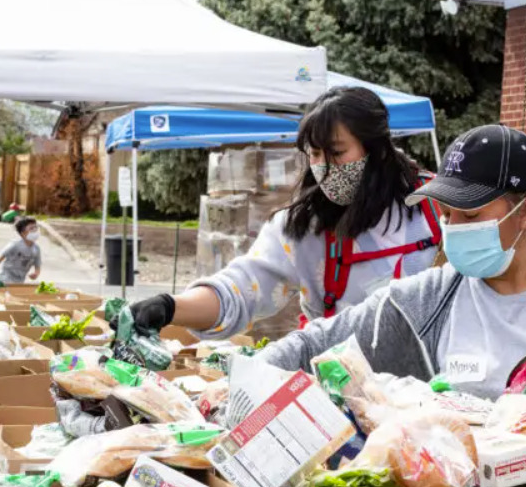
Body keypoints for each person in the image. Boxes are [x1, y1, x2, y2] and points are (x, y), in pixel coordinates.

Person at [257, 124, 526, 394]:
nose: (453, 228)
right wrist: (242, 380)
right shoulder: (425, 303)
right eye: (445, 215)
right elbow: (318, 344)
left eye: (470, 215)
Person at [127, 86, 442, 335]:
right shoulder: (304, 228)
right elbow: (242, 289)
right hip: (348, 395)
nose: (324, 167)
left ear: (377, 149)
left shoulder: (436, 206)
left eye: (336, 152)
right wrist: (171, 307)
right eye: (315, 154)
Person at [0, 215, 42, 284]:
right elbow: (1, 256)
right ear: (22, 233)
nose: (35, 230)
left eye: (36, 227)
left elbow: (37, 265)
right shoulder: (15, 244)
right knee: (7, 293)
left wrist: (36, 273)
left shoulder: (36, 249)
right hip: (6, 277)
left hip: (20, 280)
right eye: (31, 228)